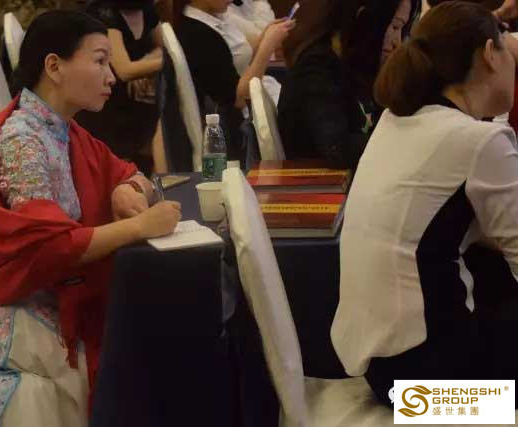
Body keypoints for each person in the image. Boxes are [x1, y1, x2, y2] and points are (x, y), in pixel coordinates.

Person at [0, 11, 181, 426]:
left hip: (65, 290)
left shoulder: (61, 127)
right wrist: (138, 227)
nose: (112, 76)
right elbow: (51, 248)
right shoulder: (23, 141)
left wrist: (125, 189)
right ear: (54, 67)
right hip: (26, 307)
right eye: (99, 61)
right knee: (152, 343)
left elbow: (130, 173)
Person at [330, 1, 518, 407]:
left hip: (385, 373)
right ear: (490, 53)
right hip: (431, 392)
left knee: (493, 275)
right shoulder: (480, 142)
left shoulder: (397, 118)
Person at [278, 0, 420, 169]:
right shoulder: (316, 69)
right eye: (395, 27)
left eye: (402, 30)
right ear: (365, 19)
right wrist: (405, 145)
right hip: (322, 181)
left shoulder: (352, 65)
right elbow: (338, 149)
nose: (398, 43)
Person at [172, 0, 293, 161]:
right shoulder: (196, 33)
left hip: (260, 100)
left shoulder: (215, 17)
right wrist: (267, 46)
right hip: (242, 126)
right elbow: (238, 98)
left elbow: (237, 63)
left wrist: (265, 38)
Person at [77, 0, 164, 175]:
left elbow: (166, 46)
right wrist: (170, 61)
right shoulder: (103, 13)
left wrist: (148, 60)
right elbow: (124, 70)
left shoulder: (146, 10)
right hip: (104, 108)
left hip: (136, 104)